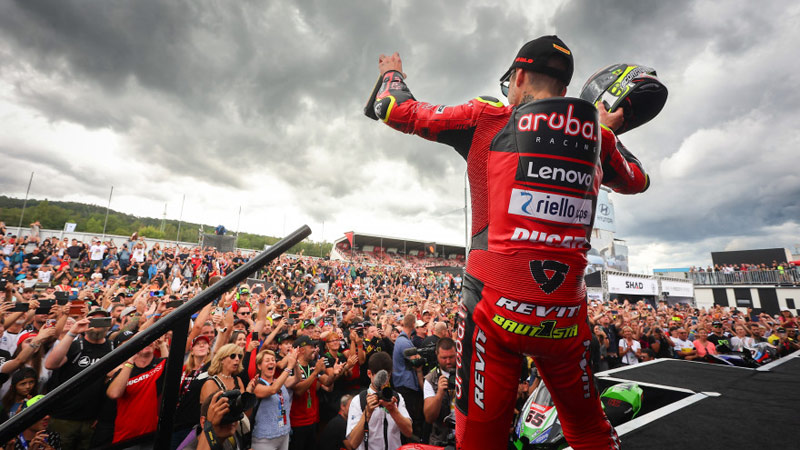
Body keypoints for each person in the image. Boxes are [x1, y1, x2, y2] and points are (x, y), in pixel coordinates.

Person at [372, 34, 651, 449]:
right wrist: (604, 128)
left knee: (479, 441)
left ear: (518, 77)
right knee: (590, 431)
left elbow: (393, 109)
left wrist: (392, 74)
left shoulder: (488, 117)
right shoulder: (600, 137)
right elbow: (638, 180)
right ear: (565, 87)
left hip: (492, 315)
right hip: (564, 319)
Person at [44, 309, 113, 450]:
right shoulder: (75, 345)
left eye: (102, 320)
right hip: (63, 416)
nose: (97, 325)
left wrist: (102, 415)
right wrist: (72, 333)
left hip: (92, 419)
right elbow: (50, 364)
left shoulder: (112, 347)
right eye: (93, 320)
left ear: (108, 325)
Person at [345, 352, 413, 450]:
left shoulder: (397, 398)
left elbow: (409, 432)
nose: (384, 381)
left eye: (387, 376)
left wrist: (393, 411)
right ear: (369, 374)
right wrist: (367, 413)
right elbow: (353, 443)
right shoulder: (358, 401)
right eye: (380, 377)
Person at [249, 348, 297, 450]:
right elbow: (272, 390)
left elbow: (297, 378)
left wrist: (295, 362)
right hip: (264, 439)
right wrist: (289, 367)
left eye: (273, 360)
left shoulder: (279, 381)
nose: (271, 362)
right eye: (267, 360)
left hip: (284, 434)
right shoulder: (256, 385)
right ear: (259, 366)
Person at [391, 314, 423, 441]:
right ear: (414, 325)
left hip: (404, 384)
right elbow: (416, 361)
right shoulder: (404, 342)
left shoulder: (403, 340)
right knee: (410, 417)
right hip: (405, 386)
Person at [423, 338, 457, 446]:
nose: (448, 361)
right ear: (436, 354)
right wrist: (439, 394)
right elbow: (429, 418)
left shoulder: (465, 373)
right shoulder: (431, 379)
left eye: (451, 357)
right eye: (444, 358)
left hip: (465, 436)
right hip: (441, 440)